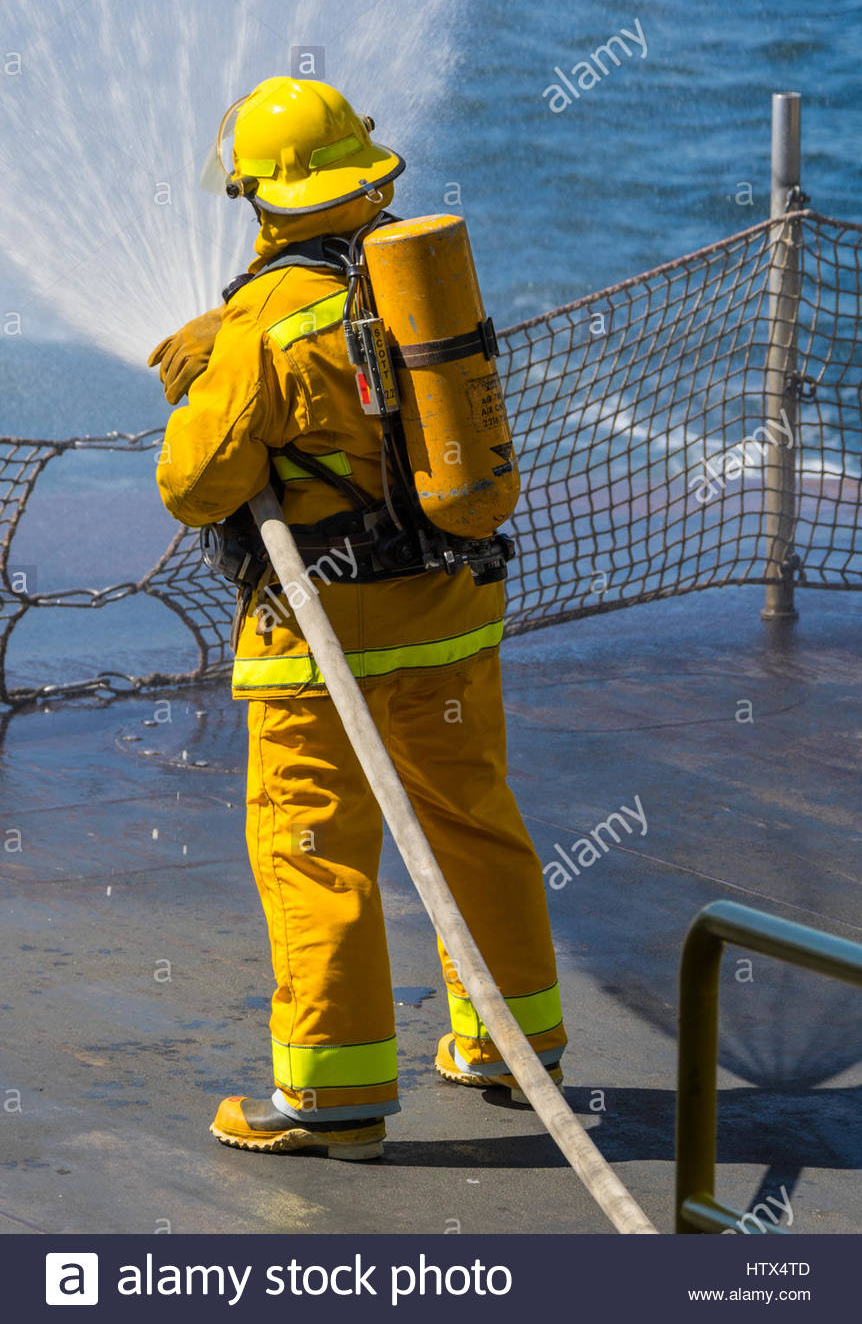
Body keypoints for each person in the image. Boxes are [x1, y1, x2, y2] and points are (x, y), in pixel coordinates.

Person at [150, 76, 567, 1161]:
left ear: (263, 199)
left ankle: (332, 1102)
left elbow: (196, 485)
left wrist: (201, 378)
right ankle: (511, 1048)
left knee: (315, 851)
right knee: (470, 816)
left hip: (321, 639)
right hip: (453, 610)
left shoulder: (261, 325)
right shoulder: (414, 283)